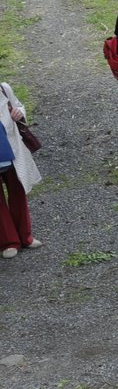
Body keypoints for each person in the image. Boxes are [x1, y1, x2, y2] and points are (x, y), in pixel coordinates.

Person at [0, 82, 42, 259]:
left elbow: (18, 106)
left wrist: (19, 113)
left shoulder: (4, 88)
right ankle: (8, 242)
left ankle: (25, 236)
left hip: (11, 148)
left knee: (18, 189)